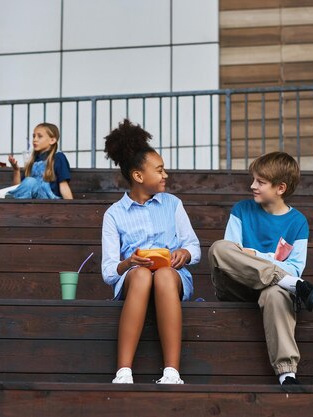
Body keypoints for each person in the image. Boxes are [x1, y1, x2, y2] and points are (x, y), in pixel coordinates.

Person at [208, 151, 313, 386]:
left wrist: (257, 255)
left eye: (260, 182)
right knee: (218, 248)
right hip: (236, 285)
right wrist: (279, 271)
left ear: (280, 188)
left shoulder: (297, 222)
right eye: (253, 180)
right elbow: (230, 255)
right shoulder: (241, 210)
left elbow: (295, 268)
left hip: (271, 289)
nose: (253, 186)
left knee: (275, 292)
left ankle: (286, 373)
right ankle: (287, 284)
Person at [101, 119, 201, 384]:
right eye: (159, 170)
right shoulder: (114, 214)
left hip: (172, 274)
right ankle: (123, 372)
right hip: (135, 277)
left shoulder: (173, 204)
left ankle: (172, 372)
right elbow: (110, 272)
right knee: (143, 276)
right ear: (138, 175)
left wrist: (184, 254)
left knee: (165, 275)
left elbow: (194, 246)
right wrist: (128, 263)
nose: (165, 175)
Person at [0, 122, 73, 199]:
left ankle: (11, 200)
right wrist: (16, 170)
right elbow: (19, 188)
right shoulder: (33, 160)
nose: (35, 139)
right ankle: (10, 200)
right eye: (34, 136)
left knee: (31, 182)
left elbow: (63, 185)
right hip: (30, 200)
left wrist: (71, 207)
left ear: (52, 140)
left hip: (49, 200)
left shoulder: (58, 157)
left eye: (39, 136)